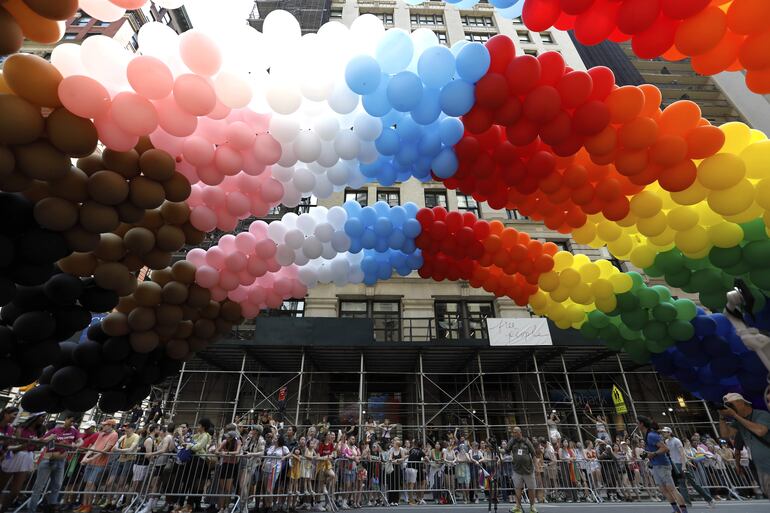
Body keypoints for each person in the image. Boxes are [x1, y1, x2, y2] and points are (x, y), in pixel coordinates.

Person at [28, 413, 82, 513]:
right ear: (66, 419)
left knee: (57, 485)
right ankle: (32, 509)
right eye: (71, 421)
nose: (72, 423)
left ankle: (51, 507)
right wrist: (50, 439)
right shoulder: (55, 430)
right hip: (47, 460)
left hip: (61, 461)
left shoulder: (74, 431)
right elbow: (41, 441)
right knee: (39, 486)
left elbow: (80, 441)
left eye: (74, 422)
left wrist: (76, 445)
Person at [718, 392, 770, 497]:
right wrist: (722, 417)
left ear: (741, 403)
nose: (730, 408)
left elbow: (760, 431)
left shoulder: (762, 414)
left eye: (731, 404)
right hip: (760, 466)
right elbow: (725, 435)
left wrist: (735, 415)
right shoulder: (738, 421)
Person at [637, 416, 689, 513]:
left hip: (662, 465)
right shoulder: (647, 435)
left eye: (637, 423)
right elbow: (653, 449)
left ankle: (684, 510)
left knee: (672, 489)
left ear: (641, 424)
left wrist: (654, 454)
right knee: (663, 489)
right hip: (656, 465)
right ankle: (676, 510)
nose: (636, 425)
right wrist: (647, 454)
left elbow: (665, 448)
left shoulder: (651, 435)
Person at [0, 412, 45, 513]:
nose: (43, 419)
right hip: (15, 456)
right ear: (35, 417)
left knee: (15, 491)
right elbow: (16, 445)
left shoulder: (39, 431)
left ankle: (3, 509)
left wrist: (40, 442)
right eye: (42, 417)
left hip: (28, 458)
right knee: (1, 485)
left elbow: (37, 447)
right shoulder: (21, 428)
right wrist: (27, 444)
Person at [661, 426, 715, 507]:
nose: (664, 433)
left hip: (681, 463)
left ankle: (709, 499)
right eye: (663, 432)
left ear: (669, 432)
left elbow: (682, 453)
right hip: (675, 464)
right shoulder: (667, 441)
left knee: (693, 483)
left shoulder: (676, 441)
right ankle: (687, 502)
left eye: (665, 432)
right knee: (681, 484)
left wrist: (683, 465)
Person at [77, 419, 119, 513]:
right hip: (92, 462)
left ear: (110, 426)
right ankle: (84, 505)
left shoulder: (114, 434)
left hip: (100, 463)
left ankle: (88, 506)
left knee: (91, 484)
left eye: (105, 425)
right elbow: (94, 446)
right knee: (87, 484)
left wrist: (90, 458)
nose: (102, 426)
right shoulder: (101, 433)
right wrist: (86, 457)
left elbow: (105, 450)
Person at [508, 426, 537, 513]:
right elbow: (506, 450)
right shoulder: (512, 442)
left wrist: (536, 467)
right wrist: (496, 450)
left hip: (528, 470)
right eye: (513, 432)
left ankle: (532, 507)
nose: (514, 434)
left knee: (531, 489)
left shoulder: (527, 441)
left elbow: (533, 454)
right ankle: (518, 507)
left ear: (520, 432)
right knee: (518, 488)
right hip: (517, 470)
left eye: (515, 432)